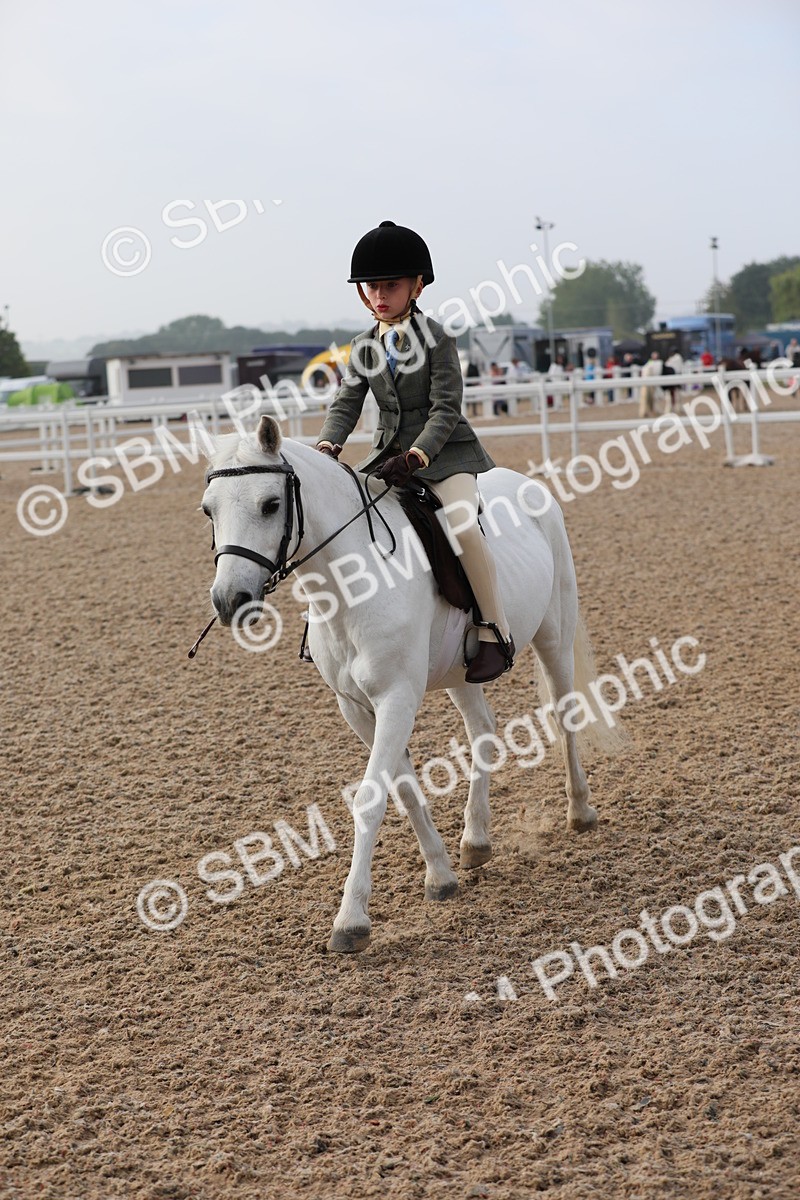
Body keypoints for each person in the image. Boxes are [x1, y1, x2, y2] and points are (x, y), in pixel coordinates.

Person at [315, 220, 514, 683]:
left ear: (417, 286)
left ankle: (494, 631)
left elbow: (446, 409)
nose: (380, 295)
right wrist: (328, 443)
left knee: (463, 524)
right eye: (372, 287)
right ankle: (335, 632)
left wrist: (418, 456)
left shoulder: (438, 338)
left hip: (444, 458)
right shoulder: (364, 344)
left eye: (391, 285)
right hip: (386, 457)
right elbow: (347, 400)